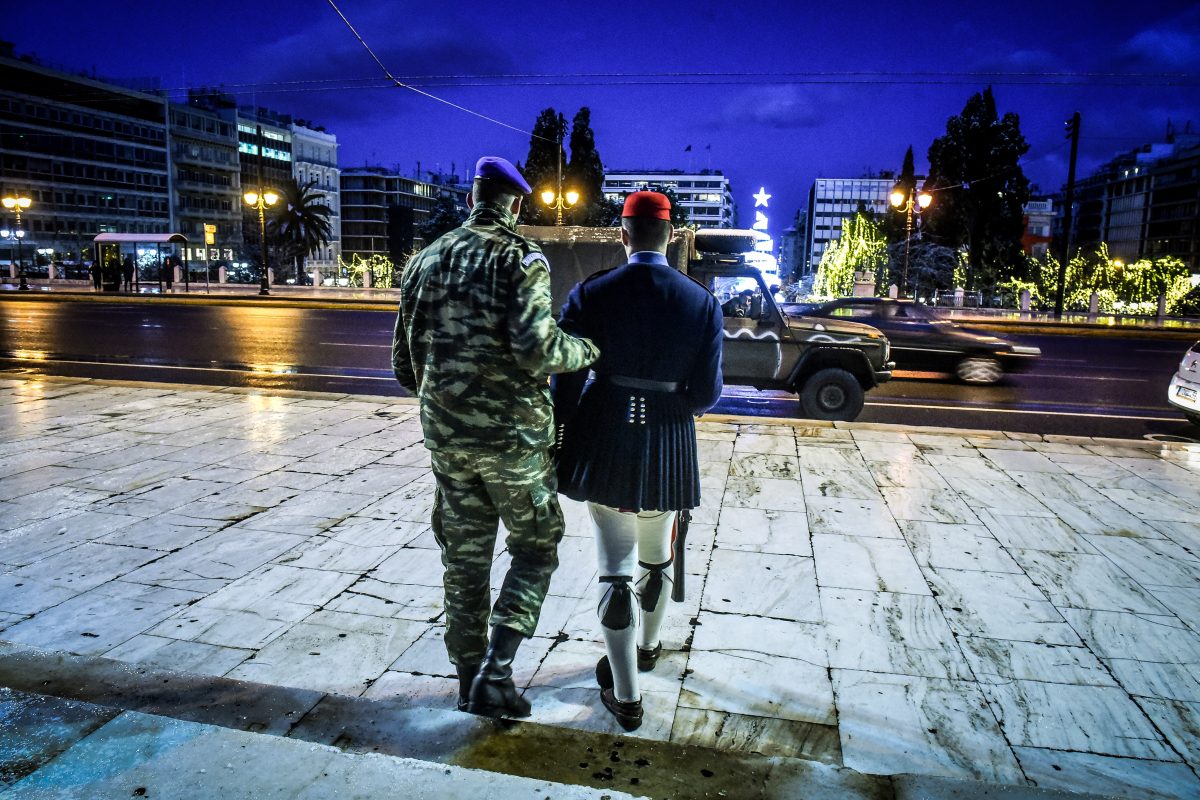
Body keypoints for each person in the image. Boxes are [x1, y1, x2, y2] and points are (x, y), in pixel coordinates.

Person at [392, 156, 599, 719]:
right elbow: (540, 350)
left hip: (446, 441)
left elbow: (403, 367)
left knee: (463, 561)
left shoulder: (424, 262)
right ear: (515, 205)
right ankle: (497, 672)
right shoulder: (520, 258)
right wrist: (587, 349)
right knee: (535, 548)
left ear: (470, 200)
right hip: (512, 444)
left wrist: (446, 394)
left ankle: (465, 680)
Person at [552, 191, 723, 730]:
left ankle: (625, 697)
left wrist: (568, 433)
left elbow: (566, 381)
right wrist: (673, 404)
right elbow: (708, 393)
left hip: (605, 437)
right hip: (670, 438)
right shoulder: (701, 301)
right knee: (658, 558)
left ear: (622, 235)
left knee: (614, 569)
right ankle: (649, 647)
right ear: (671, 237)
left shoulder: (590, 293)